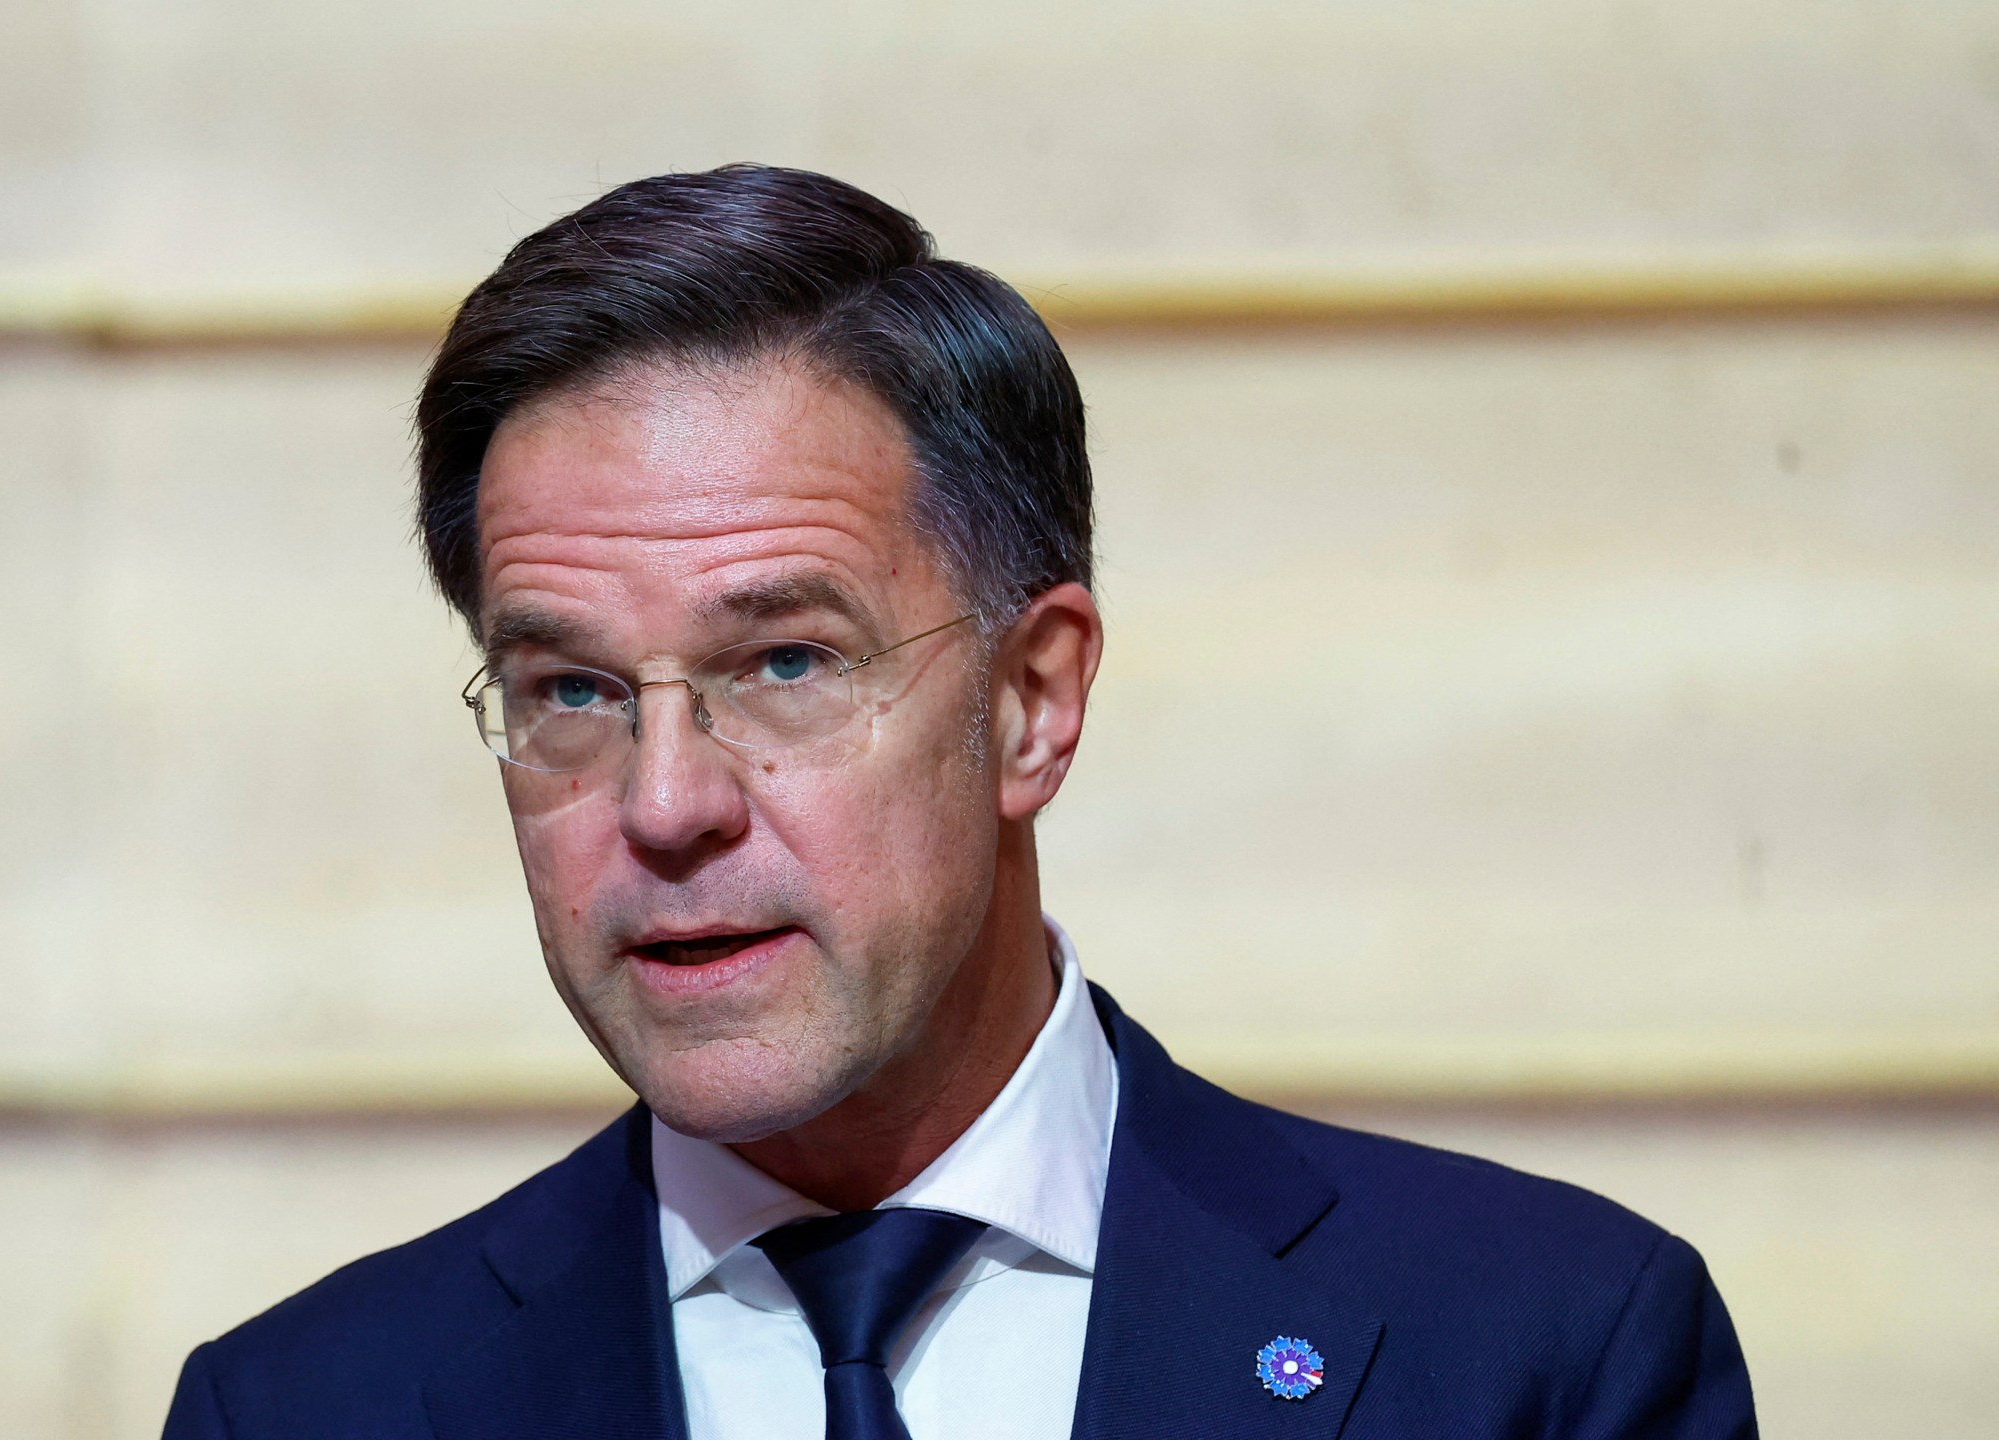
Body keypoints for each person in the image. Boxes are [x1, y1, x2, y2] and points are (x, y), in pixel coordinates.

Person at [160, 164, 1757, 1440]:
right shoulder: (305, 1408)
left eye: (786, 661)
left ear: (1031, 703)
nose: (663, 805)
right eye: (570, 692)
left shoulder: (1539, 1356)